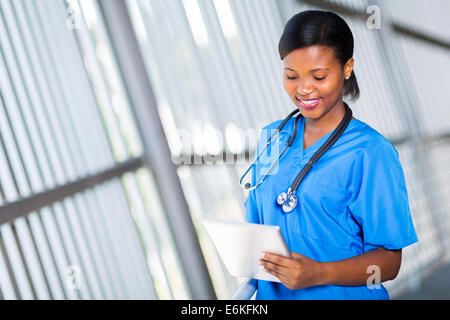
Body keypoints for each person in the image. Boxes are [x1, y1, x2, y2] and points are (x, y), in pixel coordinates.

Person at [245, 10, 418, 299]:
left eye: (319, 76)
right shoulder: (273, 137)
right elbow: (257, 224)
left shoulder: (370, 152)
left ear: (347, 67)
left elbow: (389, 261)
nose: (303, 89)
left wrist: (318, 273)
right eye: (291, 76)